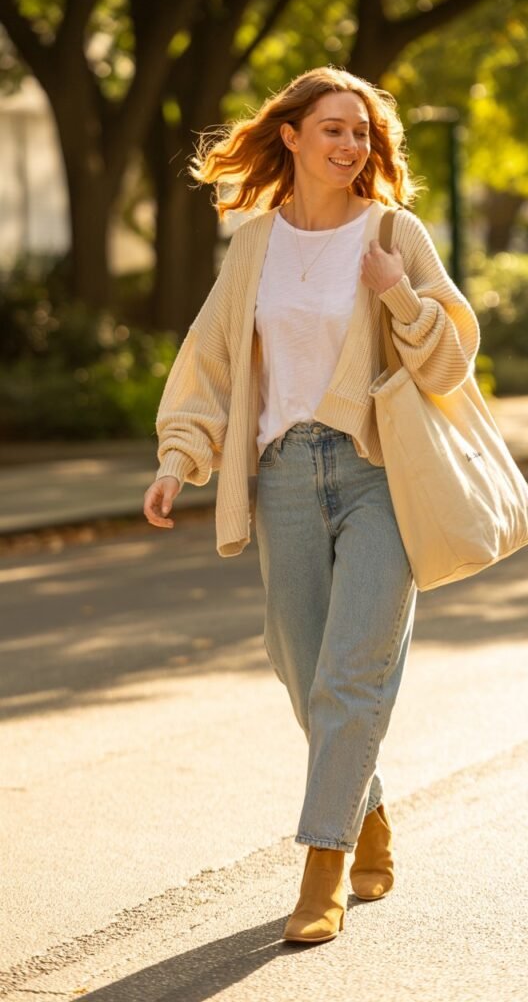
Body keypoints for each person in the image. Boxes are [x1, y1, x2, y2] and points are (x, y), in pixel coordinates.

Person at [143, 64, 480, 945]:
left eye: (362, 132)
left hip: (378, 476)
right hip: (285, 476)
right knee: (301, 670)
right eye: (333, 128)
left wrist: (396, 290)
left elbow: (450, 363)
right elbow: (211, 358)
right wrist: (179, 458)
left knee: (349, 675)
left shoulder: (393, 232)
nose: (351, 144)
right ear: (290, 136)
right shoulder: (255, 244)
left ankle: (321, 868)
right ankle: (367, 811)